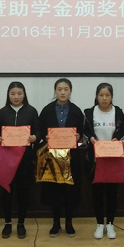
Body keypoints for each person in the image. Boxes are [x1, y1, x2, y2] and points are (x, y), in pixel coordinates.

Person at [0, 82, 40, 239]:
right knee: (6, 191)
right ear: (8, 95)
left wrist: (35, 137)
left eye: (19, 93)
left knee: (23, 192)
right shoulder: (2, 112)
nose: (16, 97)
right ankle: (7, 223)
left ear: (24, 94)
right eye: (13, 94)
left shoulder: (31, 111)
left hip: (25, 159)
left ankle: (21, 223)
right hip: (6, 159)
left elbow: (38, 131)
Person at [38, 78, 85, 238]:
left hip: (71, 157)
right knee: (54, 191)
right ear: (55, 91)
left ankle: (69, 223)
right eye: (59, 89)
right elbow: (40, 131)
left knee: (70, 191)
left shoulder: (77, 111)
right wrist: (45, 137)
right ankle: (56, 223)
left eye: (66, 89)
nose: (62, 92)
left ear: (70, 91)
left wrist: (79, 136)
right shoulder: (47, 110)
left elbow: (82, 133)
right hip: (52, 158)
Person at [84, 83, 124, 239]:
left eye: (107, 95)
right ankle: (99, 224)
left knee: (112, 193)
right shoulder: (89, 112)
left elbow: (123, 130)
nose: (104, 98)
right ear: (97, 96)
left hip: (112, 159)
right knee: (96, 193)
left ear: (112, 97)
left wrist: (117, 138)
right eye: (101, 95)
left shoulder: (118, 112)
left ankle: (110, 224)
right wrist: (91, 138)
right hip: (95, 160)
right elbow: (85, 130)